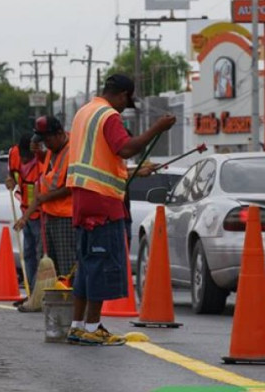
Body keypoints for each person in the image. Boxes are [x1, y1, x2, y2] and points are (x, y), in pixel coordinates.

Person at [65, 74, 176, 346]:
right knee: (101, 263)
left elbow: (99, 160)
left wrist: (129, 172)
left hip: (82, 198)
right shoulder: (108, 116)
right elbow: (125, 148)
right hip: (102, 201)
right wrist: (157, 128)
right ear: (123, 94)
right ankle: (93, 327)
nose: (126, 108)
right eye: (127, 102)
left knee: (87, 264)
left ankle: (77, 326)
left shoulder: (84, 113)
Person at [17, 116, 75, 279]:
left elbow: (71, 187)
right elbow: (51, 168)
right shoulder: (53, 149)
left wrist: (45, 198)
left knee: (66, 267)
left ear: (59, 134)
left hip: (65, 217)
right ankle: (48, 295)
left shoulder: (73, 151)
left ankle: (67, 295)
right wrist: (39, 153)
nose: (46, 144)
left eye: (47, 140)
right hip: (49, 214)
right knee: (47, 267)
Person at [9, 133, 45, 295]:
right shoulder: (14, 154)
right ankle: (31, 292)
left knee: (39, 255)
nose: (23, 159)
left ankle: (38, 292)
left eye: (27, 156)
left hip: (39, 215)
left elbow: (38, 198)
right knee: (28, 254)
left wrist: (24, 219)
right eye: (22, 155)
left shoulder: (41, 165)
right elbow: (12, 175)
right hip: (25, 211)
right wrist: (10, 180)